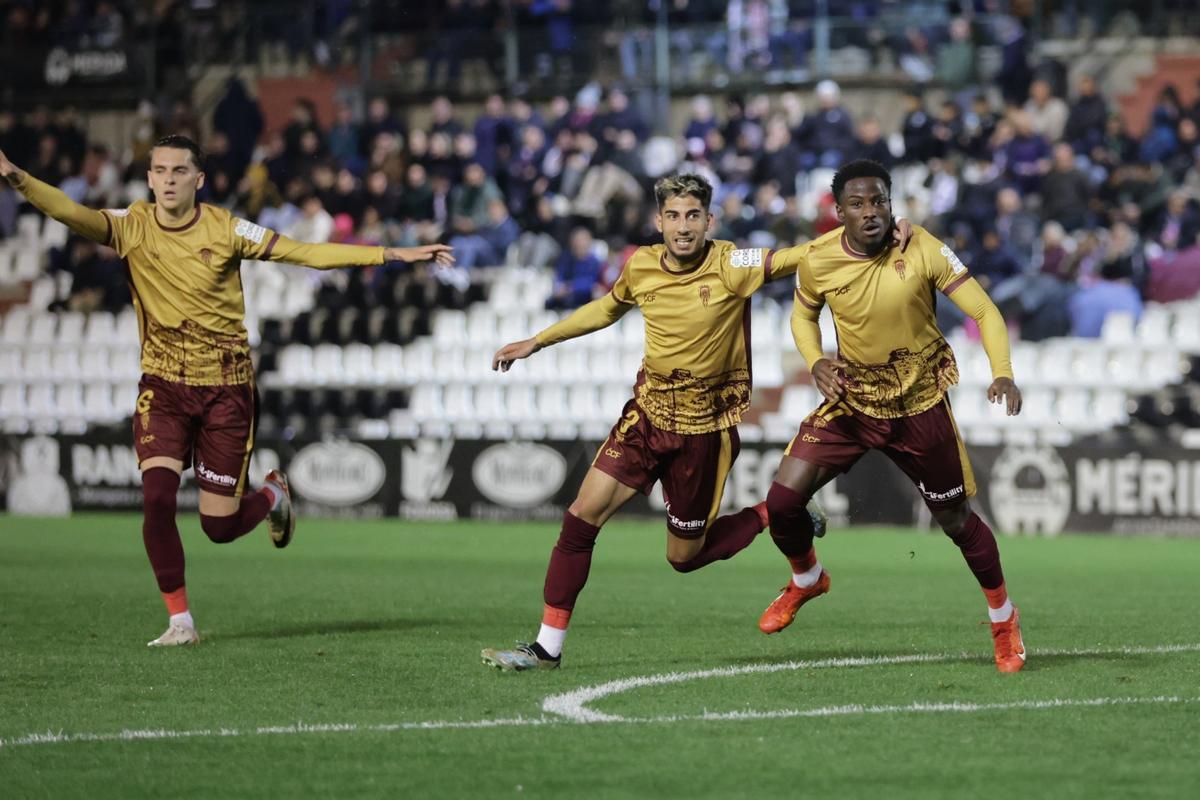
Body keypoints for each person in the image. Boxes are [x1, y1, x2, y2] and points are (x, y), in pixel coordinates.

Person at [0, 135, 453, 647]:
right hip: (164, 387)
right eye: (160, 171)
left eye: (179, 171)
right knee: (156, 500)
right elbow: (69, 211)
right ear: (148, 179)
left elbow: (305, 252)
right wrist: (17, 175)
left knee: (218, 527)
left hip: (226, 391)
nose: (168, 180)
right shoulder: (131, 227)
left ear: (200, 179)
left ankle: (272, 493)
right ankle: (180, 622)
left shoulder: (228, 228)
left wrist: (389, 253)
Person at [480, 174, 912, 671]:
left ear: (710, 221)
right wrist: (538, 340)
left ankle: (775, 513)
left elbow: (800, 256)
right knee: (580, 519)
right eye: (673, 216)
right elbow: (606, 309)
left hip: (703, 434)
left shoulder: (731, 263)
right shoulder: (641, 264)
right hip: (645, 418)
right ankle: (546, 648)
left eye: (692, 216)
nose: (682, 227)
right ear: (657, 221)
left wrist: (870, 230)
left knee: (683, 558)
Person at [758, 159, 1028, 674]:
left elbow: (985, 311)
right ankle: (806, 578)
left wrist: (1003, 372)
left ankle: (1004, 619)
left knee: (955, 521)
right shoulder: (817, 260)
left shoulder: (920, 246)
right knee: (783, 500)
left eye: (879, 201)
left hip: (919, 404)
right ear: (838, 212)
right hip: (854, 401)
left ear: (891, 204)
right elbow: (802, 314)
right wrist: (816, 360)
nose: (870, 212)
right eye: (857, 204)